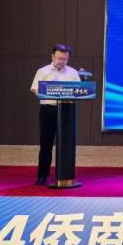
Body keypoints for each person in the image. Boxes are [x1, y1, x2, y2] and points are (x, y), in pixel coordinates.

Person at [29, 44, 80, 185]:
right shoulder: (42, 71)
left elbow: (79, 90)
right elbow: (35, 89)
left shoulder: (73, 73)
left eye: (65, 59)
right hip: (48, 110)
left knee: (66, 145)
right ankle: (42, 175)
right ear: (52, 56)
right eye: (59, 58)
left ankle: (65, 174)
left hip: (67, 111)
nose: (61, 61)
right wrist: (47, 92)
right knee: (46, 144)